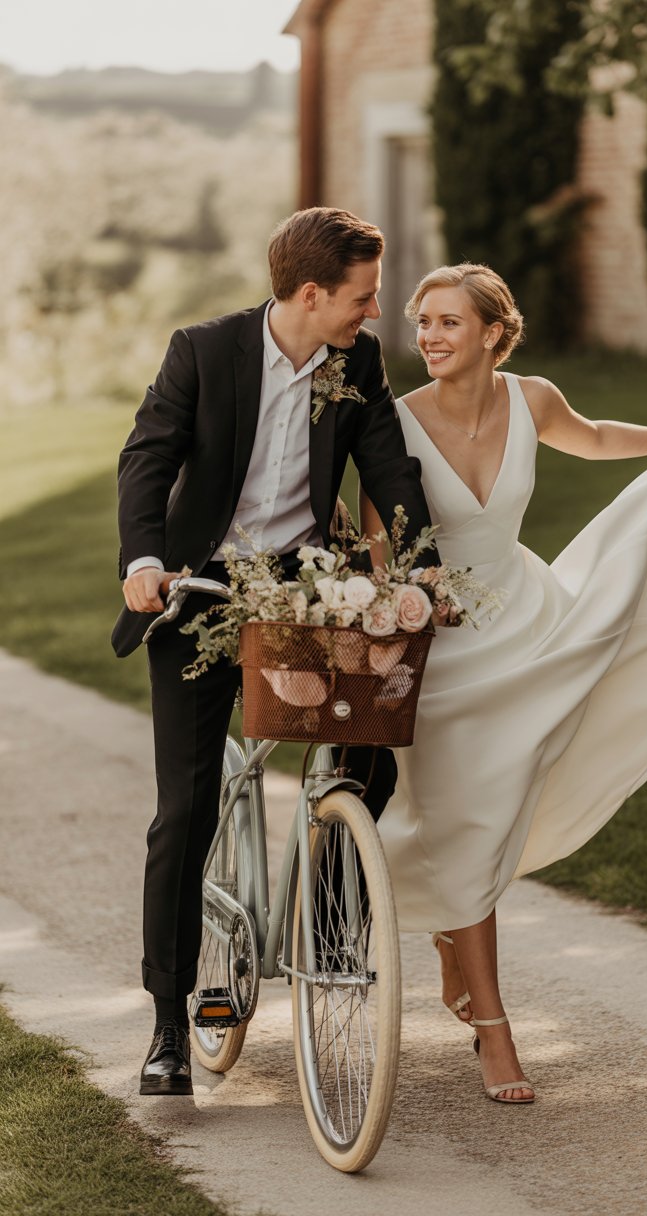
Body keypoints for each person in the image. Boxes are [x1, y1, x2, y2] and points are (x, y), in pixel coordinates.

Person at [360, 263, 647, 1106]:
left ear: (495, 334)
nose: (428, 336)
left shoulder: (531, 397)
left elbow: (597, 435)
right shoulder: (392, 423)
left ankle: (456, 946)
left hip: (528, 624)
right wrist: (395, 607)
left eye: (448, 323)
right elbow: (380, 542)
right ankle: (495, 1028)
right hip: (442, 649)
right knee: (465, 815)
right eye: (420, 321)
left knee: (501, 805)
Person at [112, 207, 436, 1096]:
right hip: (199, 592)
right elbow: (146, 458)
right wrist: (145, 561)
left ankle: (333, 931)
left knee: (368, 748)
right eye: (362, 299)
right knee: (186, 808)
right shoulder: (205, 352)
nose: (373, 313)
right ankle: (171, 1022)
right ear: (309, 294)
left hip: (303, 588)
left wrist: (420, 573)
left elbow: (389, 468)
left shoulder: (355, 362)